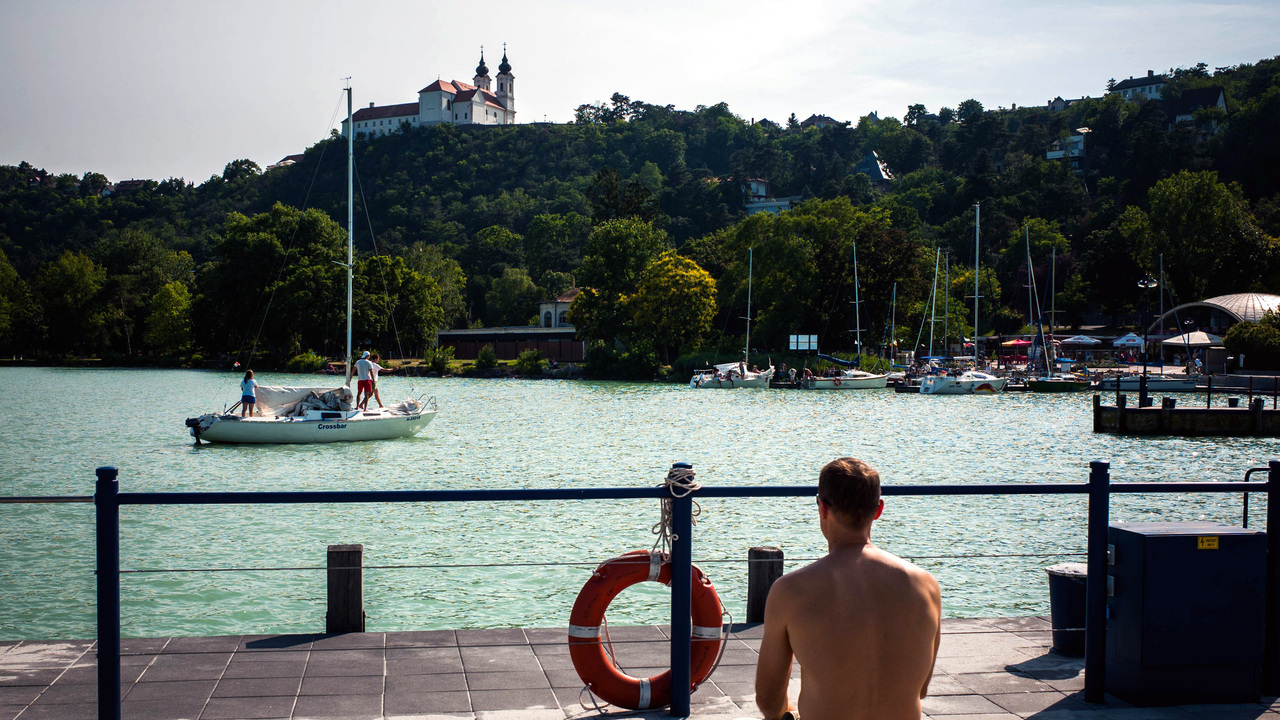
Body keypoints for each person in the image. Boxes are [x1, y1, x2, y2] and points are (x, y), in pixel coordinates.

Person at [755, 458, 941, 720]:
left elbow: (768, 700)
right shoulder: (926, 585)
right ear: (878, 510)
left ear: (822, 508)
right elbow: (920, 689)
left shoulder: (790, 591)